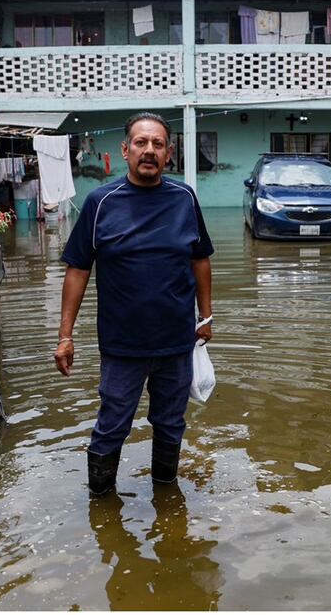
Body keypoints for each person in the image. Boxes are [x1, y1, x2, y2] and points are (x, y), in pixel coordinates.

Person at [55, 112, 214, 496]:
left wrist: (206, 316)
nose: (149, 151)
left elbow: (200, 259)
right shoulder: (101, 202)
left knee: (171, 423)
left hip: (176, 342)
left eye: (157, 144)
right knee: (112, 425)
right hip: (122, 346)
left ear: (169, 153)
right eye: (141, 143)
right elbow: (78, 269)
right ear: (125, 150)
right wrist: (65, 336)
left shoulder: (184, 198)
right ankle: (101, 501)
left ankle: (166, 495)